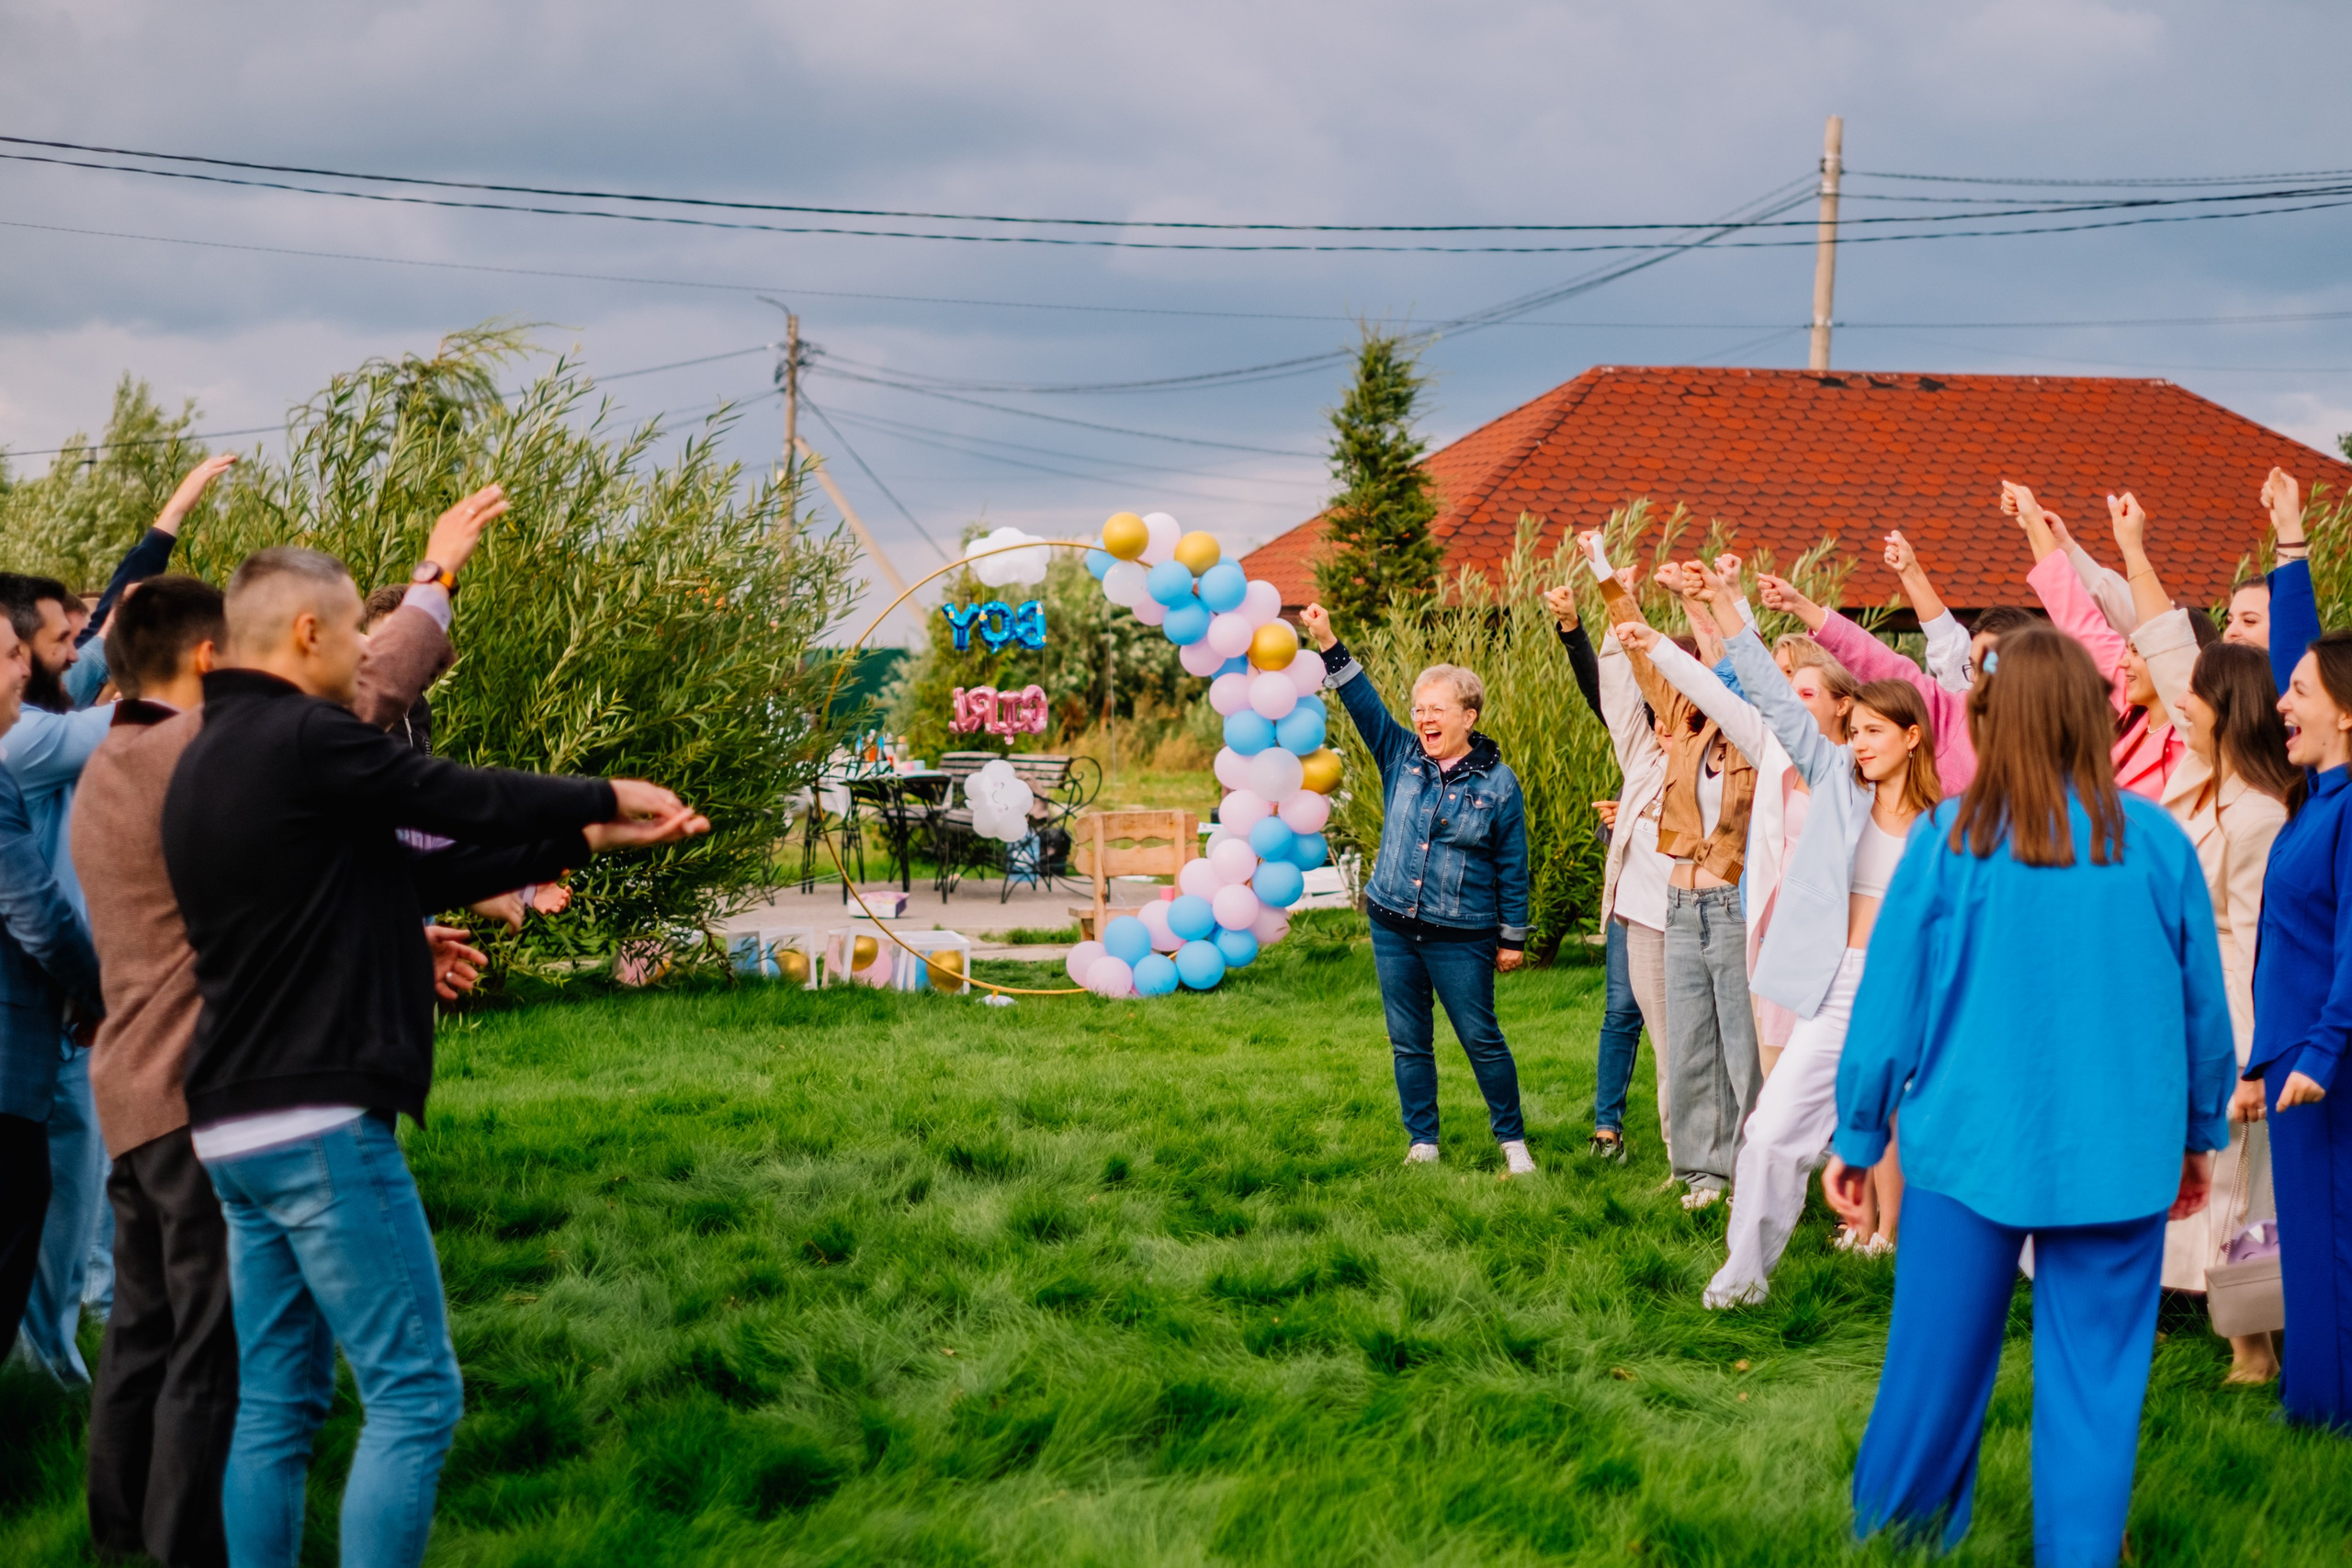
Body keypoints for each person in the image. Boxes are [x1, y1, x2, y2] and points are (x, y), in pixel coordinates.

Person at [165, 544, 709, 1568]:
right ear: (309, 633)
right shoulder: (302, 734)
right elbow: (447, 794)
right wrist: (604, 790)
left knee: (277, 1405)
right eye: (354, 634)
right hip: (321, 1121)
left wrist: (583, 842)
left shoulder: (206, 755)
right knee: (415, 1394)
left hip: (233, 1124)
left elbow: (400, 877)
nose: (365, 655)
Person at [74, 486, 503, 1568]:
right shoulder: (201, 752)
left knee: (147, 1337)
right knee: (222, 1365)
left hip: (129, 1089)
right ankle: (185, 1551)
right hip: (208, 1086)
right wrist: (435, 579)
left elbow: (247, 902)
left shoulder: (107, 763)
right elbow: (366, 700)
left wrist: (397, 938)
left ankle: (119, 1537)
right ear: (209, 658)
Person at [1828, 625, 2233, 1566]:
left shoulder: (1946, 840)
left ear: (1991, 717)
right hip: (2119, 1151)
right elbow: (2201, 1014)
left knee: (1932, 1363)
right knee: (2097, 1380)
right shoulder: (2156, 844)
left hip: (1968, 1145)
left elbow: (1888, 1004)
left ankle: (1896, 1537)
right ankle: (2080, 1551)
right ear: (2092, 717)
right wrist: (2196, 1132)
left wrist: (1857, 1132)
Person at [1621, 592, 1938, 1300]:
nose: (1859, 742)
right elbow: (1765, 690)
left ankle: (1930, 1256)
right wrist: (1719, 609)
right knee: (1769, 1133)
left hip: (1908, 995)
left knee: (1918, 1129)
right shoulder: (1835, 782)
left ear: (1913, 736)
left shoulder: (1945, 826)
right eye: (1855, 730)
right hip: (1836, 986)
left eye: (1875, 732)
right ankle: (1743, 1276)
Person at [5, 453, 224, 1382]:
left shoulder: (46, 705)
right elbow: (142, 696)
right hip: (49, 997)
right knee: (42, 1203)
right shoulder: (30, 739)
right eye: (50, 640)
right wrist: (233, 680)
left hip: (68, 1005)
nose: (72, 648)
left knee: (69, 1200)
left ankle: (55, 1362)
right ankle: (50, 1365)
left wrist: (171, 516)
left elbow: (111, 638)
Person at [1298, 602, 1536, 1177]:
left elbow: (1512, 864)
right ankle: (1422, 1142)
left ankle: (1513, 1143)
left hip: (1462, 935)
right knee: (1408, 1041)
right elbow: (1362, 702)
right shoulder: (1401, 754)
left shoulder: (1499, 784)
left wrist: (1513, 937)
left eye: (1436, 710)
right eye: (1419, 709)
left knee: (1481, 1038)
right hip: (1393, 926)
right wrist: (1327, 638)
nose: (1424, 718)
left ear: (1468, 717)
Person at [1593, 560, 1759, 1209]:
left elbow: (1733, 669)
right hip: (1663, 911)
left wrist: (1709, 601)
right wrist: (1612, 587)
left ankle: (1754, 1165)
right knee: (1683, 1047)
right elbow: (1628, 678)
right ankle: (1694, 1168)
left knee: (1740, 1047)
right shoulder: (1662, 744)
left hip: (1728, 904)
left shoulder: (1745, 743)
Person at [2241, 492, 2352, 1430]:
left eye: (2303, 694)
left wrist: (2321, 1049)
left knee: (2331, 1240)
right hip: (2291, 1060)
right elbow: (2297, 668)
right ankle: (2315, 1406)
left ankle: (2325, 1415)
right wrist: (2289, 543)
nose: (2281, 701)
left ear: (2346, 715)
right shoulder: (2317, 795)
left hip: (2328, 1065)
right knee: (2310, 1242)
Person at [0, 607, 106, 1366]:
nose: (24, 671)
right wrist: (101, 994)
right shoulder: (20, 753)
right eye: (13, 655)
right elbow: (37, 913)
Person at [1544, 579, 1670, 1163]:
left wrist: (1638, 813)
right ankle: (1606, 1130)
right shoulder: (1639, 736)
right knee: (1621, 1009)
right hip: (1633, 893)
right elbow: (1603, 693)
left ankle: (1698, 1142)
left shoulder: (1717, 745)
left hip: (1689, 898)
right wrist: (1574, 630)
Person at [2004, 481, 2185, 799]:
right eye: (2128, 648)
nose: (2123, 660)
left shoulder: (2193, 735)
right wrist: (2036, 526)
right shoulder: (2131, 708)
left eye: (2138, 651)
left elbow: (2161, 631)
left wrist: (2132, 548)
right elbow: (2073, 611)